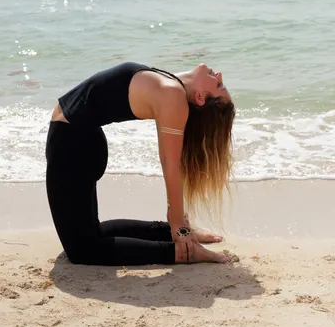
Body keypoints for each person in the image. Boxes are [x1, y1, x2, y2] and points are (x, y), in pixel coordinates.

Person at [46, 61, 236, 266]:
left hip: (72, 147)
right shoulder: (173, 84)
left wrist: (179, 227)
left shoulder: (172, 93)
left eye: (219, 86)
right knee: (93, 233)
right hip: (79, 143)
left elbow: (171, 164)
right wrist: (179, 226)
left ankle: (182, 252)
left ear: (200, 97)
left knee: (83, 251)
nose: (219, 75)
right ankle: (172, 234)